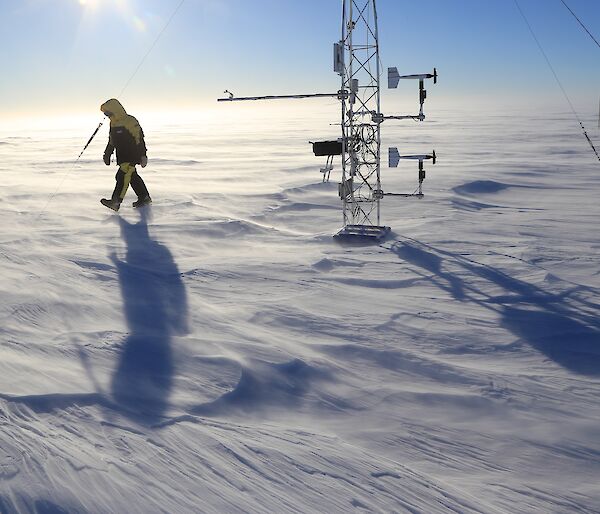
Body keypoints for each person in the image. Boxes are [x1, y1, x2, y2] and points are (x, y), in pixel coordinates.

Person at [100, 98, 152, 211]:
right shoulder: (113, 123)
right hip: (122, 155)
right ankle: (144, 197)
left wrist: (143, 155)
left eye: (107, 112)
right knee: (132, 176)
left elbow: (140, 138)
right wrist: (107, 153)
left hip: (132, 155)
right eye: (105, 113)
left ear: (114, 110)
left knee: (123, 176)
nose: (106, 115)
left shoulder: (130, 121)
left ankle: (115, 202)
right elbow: (112, 140)